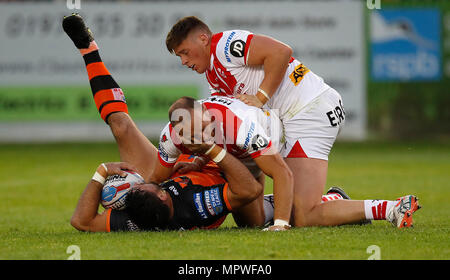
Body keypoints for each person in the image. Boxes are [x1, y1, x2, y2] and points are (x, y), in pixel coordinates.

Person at [165, 16, 421, 228]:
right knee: (267, 213)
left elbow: (281, 51)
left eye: (185, 52)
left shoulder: (224, 45)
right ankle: (333, 199)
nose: (184, 61)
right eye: (179, 57)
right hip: (301, 114)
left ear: (203, 38)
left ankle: (392, 208)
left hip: (311, 111)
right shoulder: (213, 73)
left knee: (304, 215)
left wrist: (260, 97)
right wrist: (200, 159)